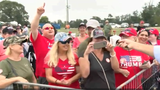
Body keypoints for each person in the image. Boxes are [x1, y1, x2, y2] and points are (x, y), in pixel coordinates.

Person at [30, 3, 57, 89]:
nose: (50, 29)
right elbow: (33, 28)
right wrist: (38, 14)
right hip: (44, 75)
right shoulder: (39, 39)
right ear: (41, 31)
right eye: (46, 28)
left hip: (58, 74)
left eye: (51, 28)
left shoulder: (58, 41)